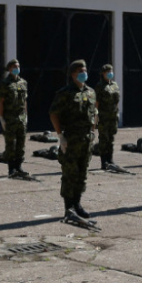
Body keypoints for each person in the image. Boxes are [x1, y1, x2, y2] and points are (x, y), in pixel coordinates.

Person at [49, 59, 98, 221]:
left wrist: (93, 131)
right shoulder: (65, 93)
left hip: (86, 140)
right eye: (80, 71)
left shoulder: (91, 92)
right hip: (71, 139)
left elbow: (94, 113)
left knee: (82, 173)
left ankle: (77, 204)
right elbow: (53, 113)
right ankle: (68, 207)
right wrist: (60, 136)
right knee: (70, 174)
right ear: (73, 74)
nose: (84, 73)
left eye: (85, 70)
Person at [0, 59, 29, 179]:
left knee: (21, 143)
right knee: (11, 143)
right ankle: (11, 168)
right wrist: (1, 117)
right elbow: (1, 101)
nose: (17, 68)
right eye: (14, 67)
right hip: (10, 117)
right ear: (10, 69)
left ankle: (19, 166)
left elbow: (25, 101)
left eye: (18, 66)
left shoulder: (23, 83)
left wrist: (26, 115)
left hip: (21, 117)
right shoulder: (5, 83)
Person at [94, 63, 121, 170]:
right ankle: (104, 161)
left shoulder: (114, 85)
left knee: (111, 138)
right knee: (103, 138)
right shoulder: (100, 86)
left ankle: (110, 159)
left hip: (113, 116)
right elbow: (96, 102)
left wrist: (117, 113)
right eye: (107, 72)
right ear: (103, 73)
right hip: (103, 116)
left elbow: (117, 101)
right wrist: (96, 116)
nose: (110, 73)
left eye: (111, 71)